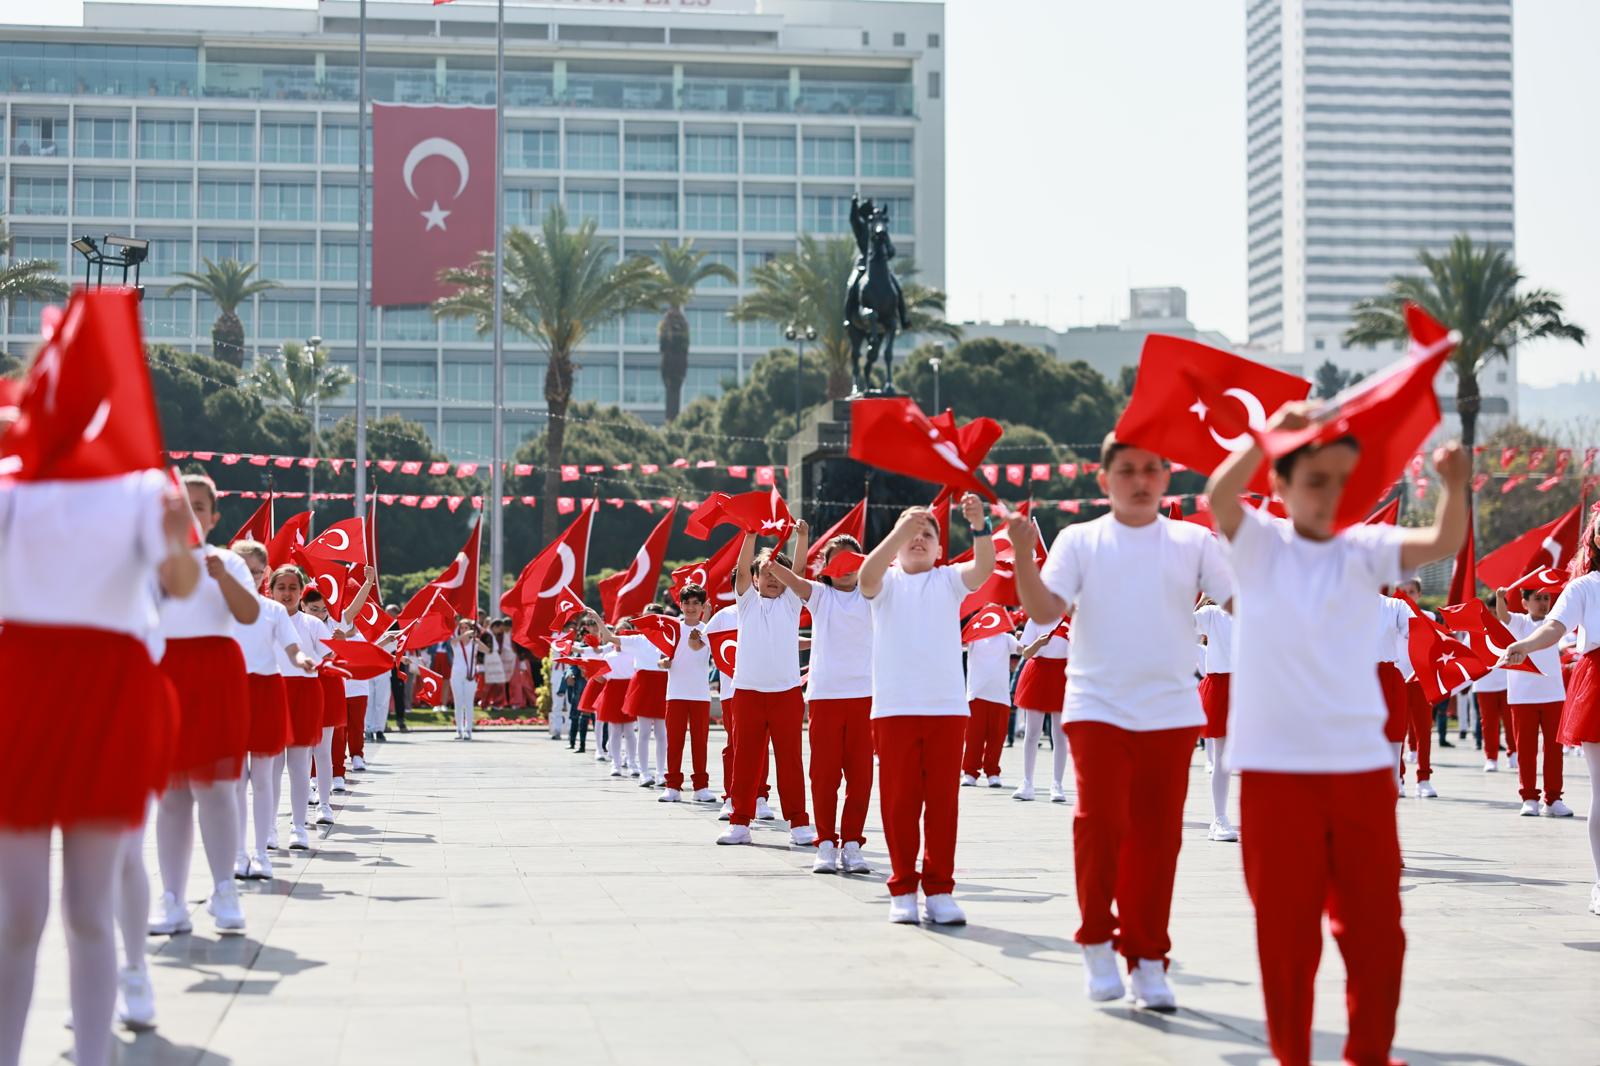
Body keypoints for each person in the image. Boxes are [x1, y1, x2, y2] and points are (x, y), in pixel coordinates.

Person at [1206, 402, 1468, 1066]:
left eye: (1340, 482)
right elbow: (1219, 492)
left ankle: (1370, 1054)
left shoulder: (1364, 550)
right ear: (1283, 484)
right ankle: (1292, 1055)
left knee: (1378, 933)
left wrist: (1455, 487)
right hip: (1273, 772)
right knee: (1286, 936)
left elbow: (1441, 542)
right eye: (1313, 480)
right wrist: (1269, 432)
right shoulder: (1259, 544)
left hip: (1358, 771)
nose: (1328, 495)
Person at [1010, 435, 1234, 1010]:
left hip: (1172, 710)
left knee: (1158, 841)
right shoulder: (1078, 539)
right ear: (1104, 478)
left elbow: (1242, 599)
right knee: (1101, 824)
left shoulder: (1194, 541)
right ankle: (1095, 943)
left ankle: (1149, 958)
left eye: (1152, 469)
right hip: (1098, 705)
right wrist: (1021, 553)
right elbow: (1041, 610)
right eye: (1127, 470)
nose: (1140, 480)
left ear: (1166, 476)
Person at [0, 465, 199, 1066]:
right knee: (19, 911)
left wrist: (172, 535)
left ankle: (101, 1041)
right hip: (24, 686)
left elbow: (182, 582)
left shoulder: (138, 488)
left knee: (89, 904)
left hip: (111, 690)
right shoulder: (11, 480)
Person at [858, 493, 996, 924]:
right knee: (900, 802)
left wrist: (979, 526)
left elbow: (984, 568)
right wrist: (900, 528)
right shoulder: (886, 583)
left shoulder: (949, 580)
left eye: (928, 534)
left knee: (941, 804)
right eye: (911, 533)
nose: (919, 539)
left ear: (940, 548)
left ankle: (939, 891)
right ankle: (903, 887)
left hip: (946, 709)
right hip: (895, 708)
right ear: (896, 542)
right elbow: (864, 576)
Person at [151, 475, 260, 939]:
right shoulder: (154, 563)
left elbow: (250, 614)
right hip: (166, 671)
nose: (191, 514)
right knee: (172, 793)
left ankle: (224, 891)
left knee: (215, 788)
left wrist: (219, 576)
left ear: (213, 517)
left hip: (215, 672)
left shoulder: (229, 562)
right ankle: (172, 898)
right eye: (182, 506)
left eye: (200, 506)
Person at [1501, 503, 1600, 915]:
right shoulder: (1584, 587)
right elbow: (1555, 627)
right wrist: (1523, 644)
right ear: (1595, 536)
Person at [769, 526, 877, 874]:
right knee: (825, 775)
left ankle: (853, 845)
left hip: (864, 697)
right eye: (837, 560)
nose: (845, 568)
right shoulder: (820, 596)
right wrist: (771, 558)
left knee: (860, 777)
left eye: (852, 560)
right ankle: (826, 844)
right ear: (826, 566)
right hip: (826, 697)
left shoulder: (873, 596)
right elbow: (792, 578)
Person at [717, 531, 814, 847]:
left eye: (777, 573)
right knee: (746, 760)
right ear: (755, 579)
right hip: (747, 693)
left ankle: (799, 824)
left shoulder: (789, 603)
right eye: (766, 573)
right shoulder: (745, 603)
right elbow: (741, 569)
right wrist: (748, 535)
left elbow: (798, 570)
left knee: (790, 760)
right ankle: (740, 823)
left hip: (786, 694)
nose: (772, 578)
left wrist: (803, 537)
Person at [229, 541, 316, 881]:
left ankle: (262, 853)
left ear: (264, 574)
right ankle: (238, 853)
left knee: (263, 778)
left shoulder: (273, 610)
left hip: (266, 690)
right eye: (241, 569)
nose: (248, 576)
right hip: (232, 692)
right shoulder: (219, 606)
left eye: (254, 570)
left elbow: (292, 646)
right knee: (236, 781)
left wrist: (302, 660)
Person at [1496, 586, 1572, 817]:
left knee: (1554, 750)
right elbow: (1503, 616)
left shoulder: (1555, 624)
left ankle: (1553, 799)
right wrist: (1501, 598)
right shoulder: (1519, 622)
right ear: (1524, 602)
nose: (1543, 603)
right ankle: (1529, 797)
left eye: (1547, 598)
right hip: (1523, 696)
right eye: (1537, 598)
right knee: (1526, 750)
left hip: (1553, 695)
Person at [267, 565, 325, 850]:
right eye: (281, 588)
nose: (287, 593)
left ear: (301, 592)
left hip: (304, 692)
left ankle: (299, 827)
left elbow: (331, 655)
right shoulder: (260, 619)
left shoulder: (312, 624)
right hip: (272, 692)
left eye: (293, 588)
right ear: (271, 590)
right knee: (272, 767)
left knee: (299, 764)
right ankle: (268, 828)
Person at [707, 600, 774, 822]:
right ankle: (730, 797)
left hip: (760, 687)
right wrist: (703, 620)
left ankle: (760, 798)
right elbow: (703, 642)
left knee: (761, 745)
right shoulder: (724, 615)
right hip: (731, 691)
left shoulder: (768, 610)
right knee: (735, 745)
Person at [659, 583, 720, 805]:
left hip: (700, 694)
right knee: (674, 742)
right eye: (687, 603)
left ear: (703, 606)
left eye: (696, 603)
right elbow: (661, 657)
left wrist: (710, 620)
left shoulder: (709, 630)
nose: (691, 607)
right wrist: (664, 662)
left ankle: (701, 787)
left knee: (699, 742)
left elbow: (715, 653)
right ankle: (672, 786)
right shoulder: (673, 629)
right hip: (675, 693)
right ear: (681, 605)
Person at [1194, 598, 1238, 842]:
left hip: (1254, 682)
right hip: (1223, 684)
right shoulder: (1212, 613)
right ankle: (1219, 818)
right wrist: (1198, 600)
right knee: (1222, 758)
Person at [1011, 616, 1069, 802]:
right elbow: (1026, 653)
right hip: (1038, 672)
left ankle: (1057, 784)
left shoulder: (1072, 619)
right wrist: (1039, 642)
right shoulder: (1036, 619)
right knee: (1032, 733)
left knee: (1059, 734)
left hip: (1062, 673)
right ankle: (1027, 782)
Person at [962, 619, 1021, 790]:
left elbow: (1021, 650)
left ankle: (993, 772)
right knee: (974, 736)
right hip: (977, 694)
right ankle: (970, 772)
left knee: (996, 738)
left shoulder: (1006, 638)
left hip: (1000, 696)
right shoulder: (974, 635)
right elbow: (959, 643)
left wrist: (1024, 639)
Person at [1473, 655, 1515, 772]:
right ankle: (1491, 758)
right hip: (1484, 684)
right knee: (1488, 724)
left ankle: (1514, 753)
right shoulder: (1472, 637)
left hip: (1507, 682)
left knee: (1510, 721)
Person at [449, 619, 481, 740]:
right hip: (456, 674)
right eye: (461, 627)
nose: (463, 629)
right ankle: (459, 729)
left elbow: (488, 650)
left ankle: (468, 730)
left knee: (468, 703)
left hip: (470, 675)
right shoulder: (456, 642)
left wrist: (476, 639)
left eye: (466, 627)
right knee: (458, 702)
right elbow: (452, 641)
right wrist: (463, 636)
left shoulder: (474, 643)